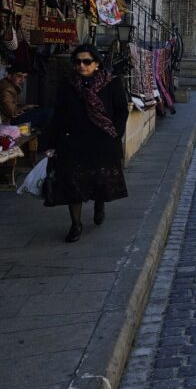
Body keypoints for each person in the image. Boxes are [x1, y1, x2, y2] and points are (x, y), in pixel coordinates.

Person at [41, 44, 129, 243]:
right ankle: (76, 225)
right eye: (78, 61)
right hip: (73, 142)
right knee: (73, 186)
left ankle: (99, 205)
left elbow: (121, 110)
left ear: (96, 63)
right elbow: (59, 114)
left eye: (86, 61)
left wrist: (116, 132)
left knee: (100, 181)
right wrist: (50, 142)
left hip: (102, 141)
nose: (81, 65)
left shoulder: (111, 83)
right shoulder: (67, 85)